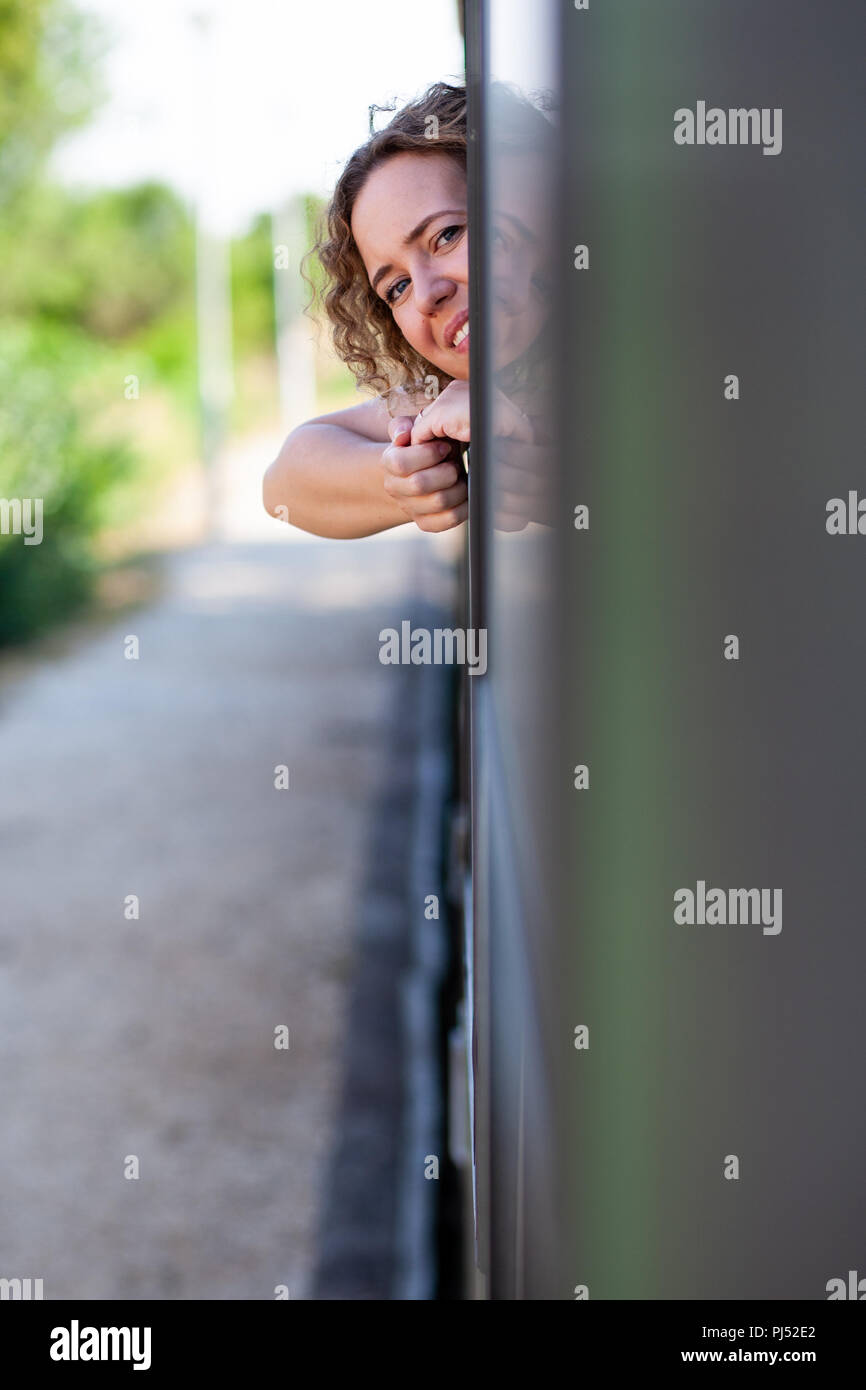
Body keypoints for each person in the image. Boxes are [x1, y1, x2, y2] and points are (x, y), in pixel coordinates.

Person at [263, 81, 552, 539]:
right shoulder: (462, 392)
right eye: (396, 286)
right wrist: (404, 476)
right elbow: (284, 481)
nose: (424, 295)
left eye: (447, 235)